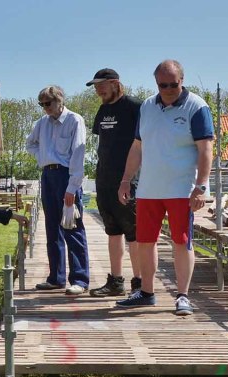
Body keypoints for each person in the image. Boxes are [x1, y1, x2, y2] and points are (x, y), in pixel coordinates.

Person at [115, 60, 214, 316]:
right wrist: (126, 179)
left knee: (182, 242)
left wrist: (201, 186)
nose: (168, 89)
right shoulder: (147, 106)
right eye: (162, 85)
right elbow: (137, 147)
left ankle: (182, 296)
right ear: (156, 83)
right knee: (145, 242)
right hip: (149, 189)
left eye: (173, 84)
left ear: (182, 80)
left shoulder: (197, 107)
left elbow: (206, 149)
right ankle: (146, 292)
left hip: (182, 189)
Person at [26, 85, 90, 295]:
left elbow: (78, 155)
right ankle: (56, 277)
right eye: (42, 104)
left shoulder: (74, 120)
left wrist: (72, 187)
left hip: (66, 176)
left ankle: (79, 279)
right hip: (48, 175)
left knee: (72, 227)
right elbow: (30, 144)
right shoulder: (42, 123)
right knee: (52, 228)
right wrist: (42, 156)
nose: (45, 108)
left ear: (60, 100)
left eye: (48, 103)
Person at [86, 68, 143, 297]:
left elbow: (143, 145)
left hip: (128, 181)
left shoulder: (135, 107)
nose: (98, 90)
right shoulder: (103, 110)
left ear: (115, 83)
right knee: (112, 231)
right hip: (104, 180)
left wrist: (130, 178)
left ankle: (140, 283)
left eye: (101, 85)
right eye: (96, 86)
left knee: (134, 234)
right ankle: (116, 281)